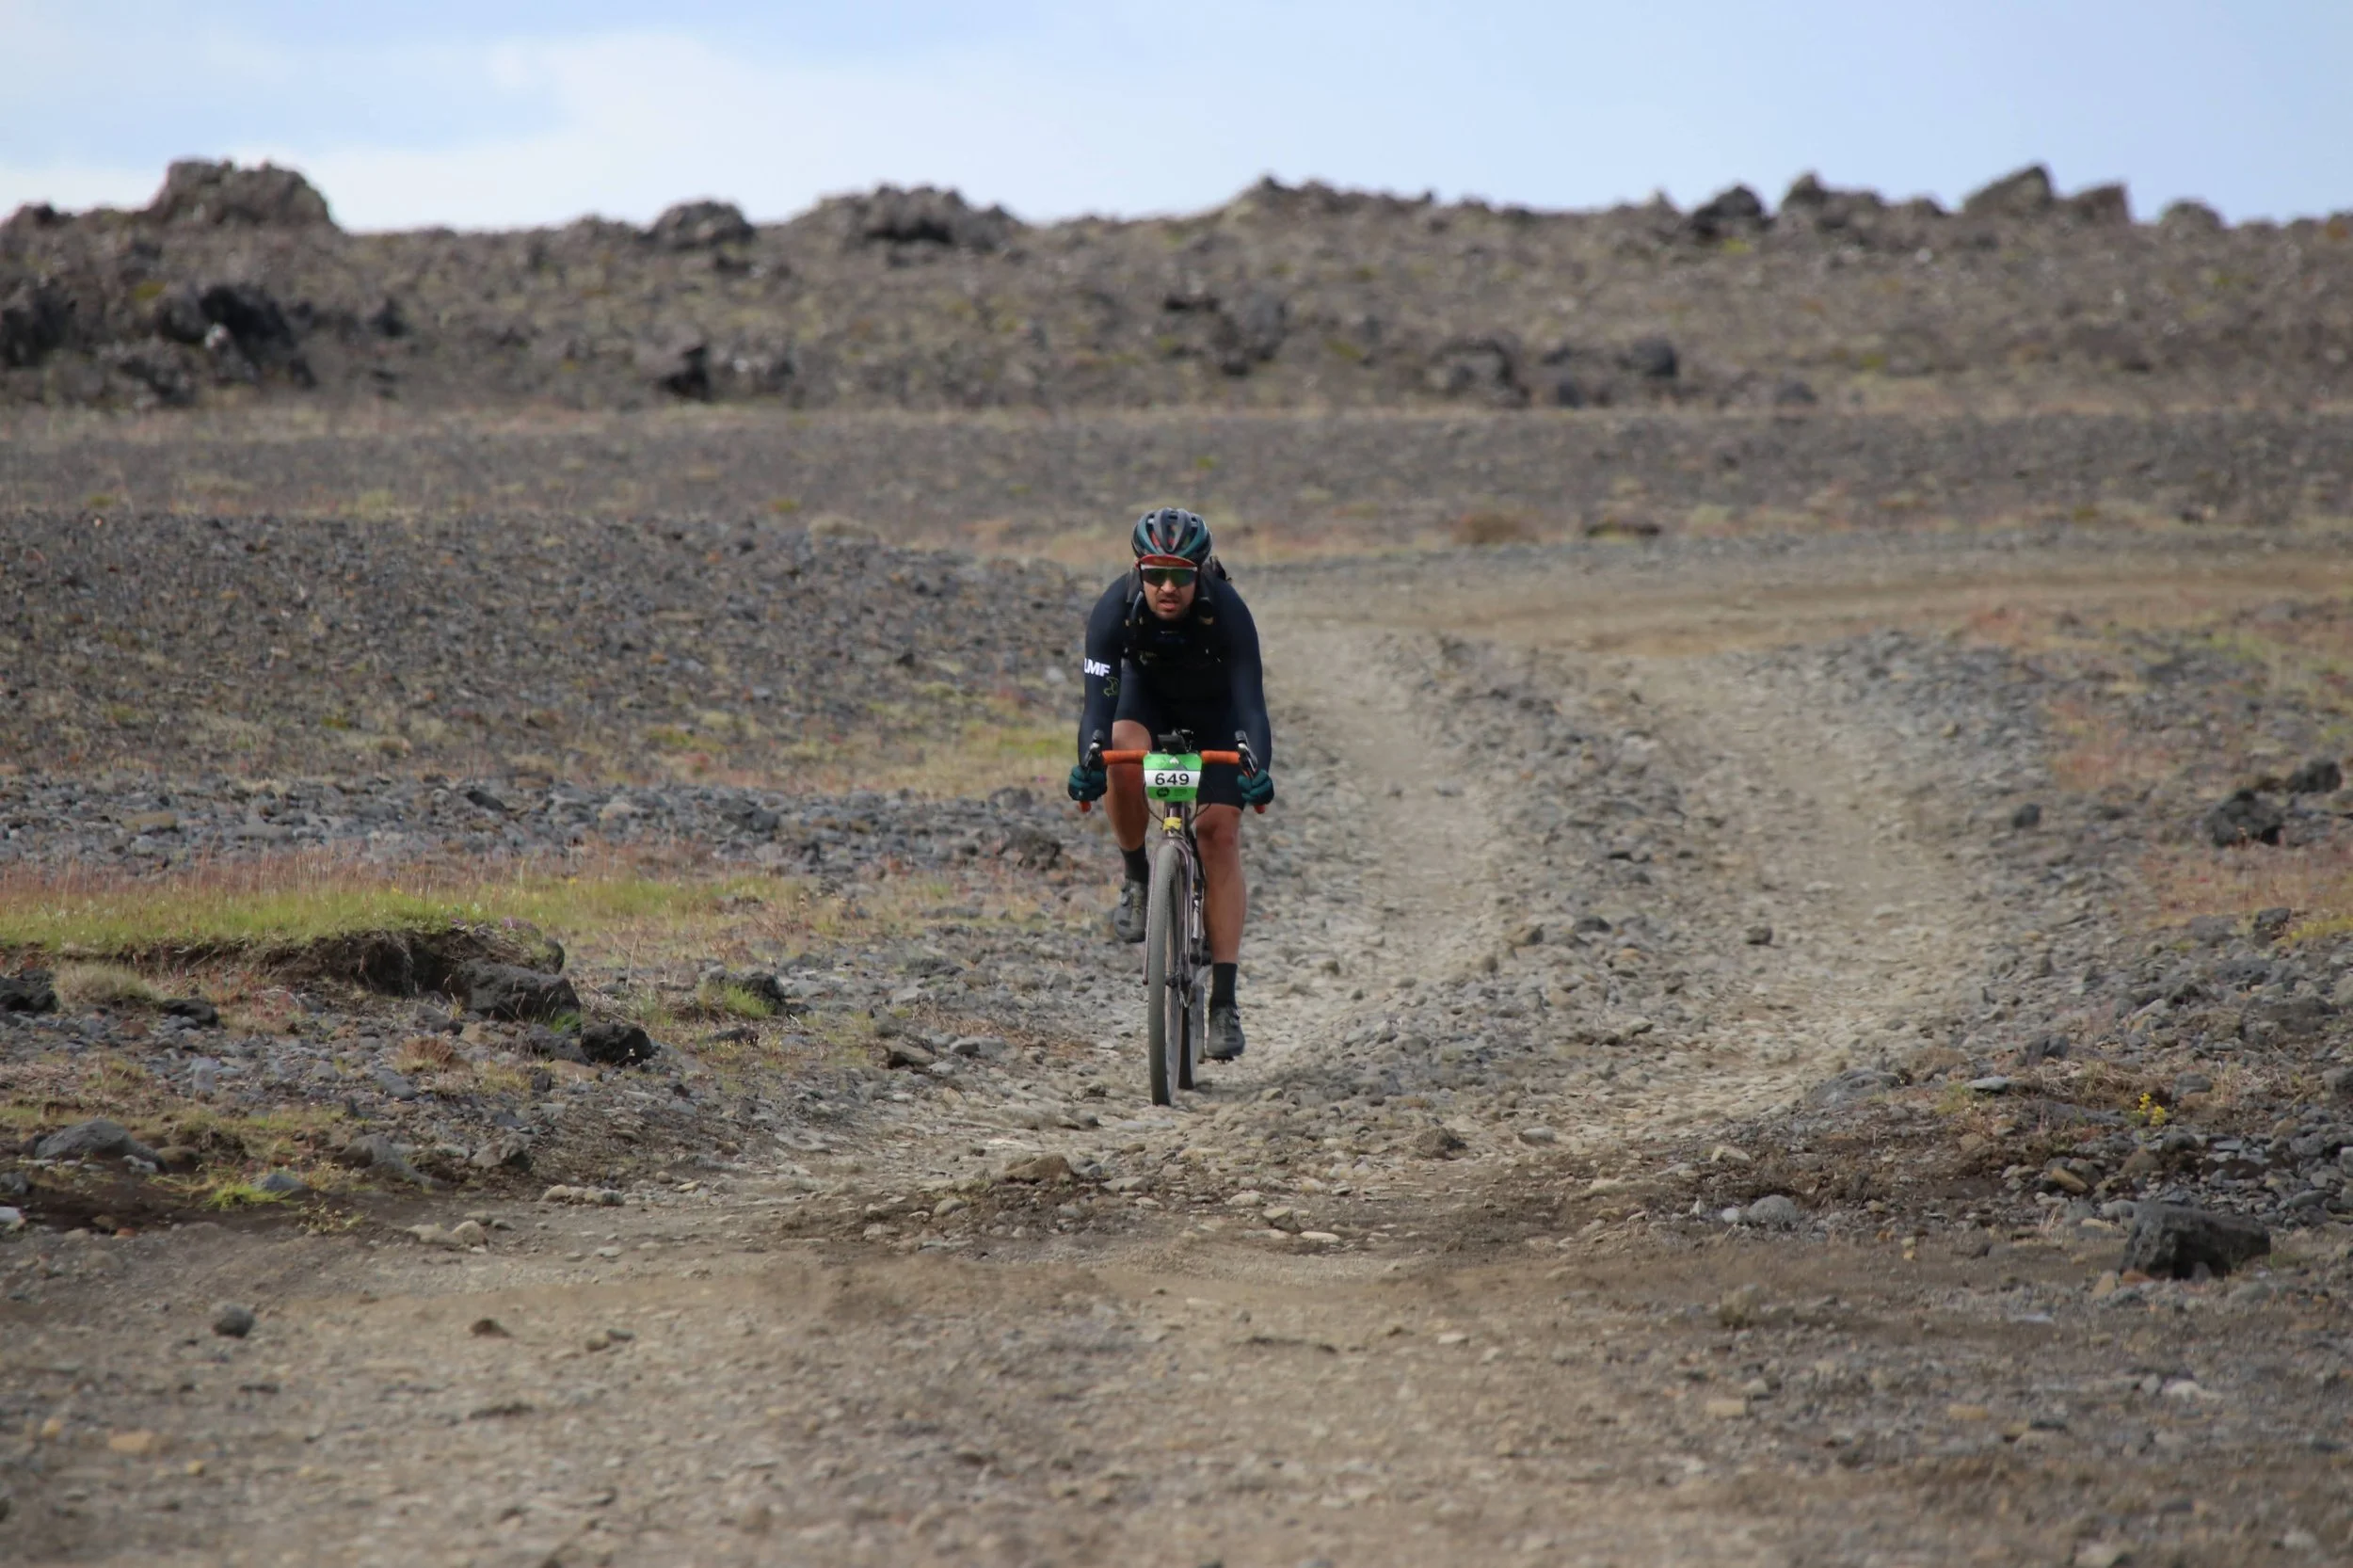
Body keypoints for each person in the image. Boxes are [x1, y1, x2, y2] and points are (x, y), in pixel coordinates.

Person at [1066, 508, 1273, 1061]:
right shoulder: (1115, 610)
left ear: (1200, 572)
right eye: (1155, 573)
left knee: (1218, 835)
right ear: (1139, 567)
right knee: (1122, 757)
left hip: (1215, 712)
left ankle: (1224, 1002)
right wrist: (1088, 762)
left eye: (1180, 575)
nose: (1166, 587)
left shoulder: (1227, 611)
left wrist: (1259, 770)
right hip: (1145, 700)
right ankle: (1138, 878)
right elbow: (1096, 709)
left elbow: (1252, 705)